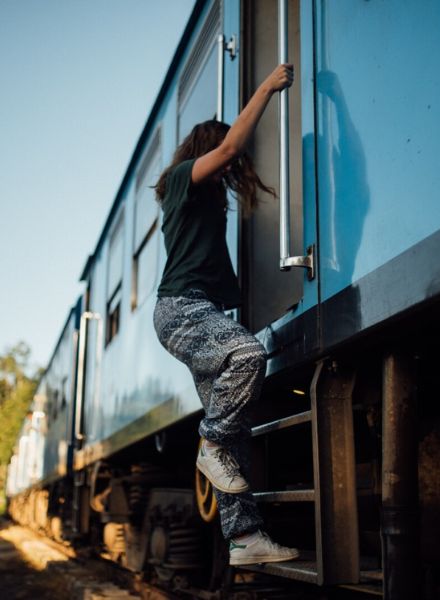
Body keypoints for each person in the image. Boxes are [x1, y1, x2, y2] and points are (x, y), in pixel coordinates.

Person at [153, 64, 299, 566]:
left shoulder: (207, 208)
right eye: (217, 156)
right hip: (181, 311)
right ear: (204, 151)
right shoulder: (178, 181)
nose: (230, 169)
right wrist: (267, 87)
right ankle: (209, 444)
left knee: (233, 435)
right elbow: (232, 148)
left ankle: (244, 539)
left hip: (201, 311)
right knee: (247, 355)